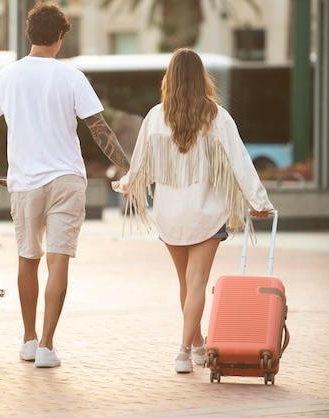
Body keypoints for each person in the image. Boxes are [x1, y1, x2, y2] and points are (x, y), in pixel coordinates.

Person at [0, 3, 129, 368]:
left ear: (30, 35)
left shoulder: (7, 76)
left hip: (25, 183)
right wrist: (131, 166)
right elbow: (100, 131)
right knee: (58, 261)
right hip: (66, 180)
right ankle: (46, 346)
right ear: (59, 38)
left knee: (28, 259)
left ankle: (27, 340)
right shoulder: (71, 77)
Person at [112, 48, 274, 374]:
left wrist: (127, 184)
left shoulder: (156, 116)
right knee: (197, 281)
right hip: (207, 213)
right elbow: (240, 161)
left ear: (169, 79)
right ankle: (184, 351)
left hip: (170, 214)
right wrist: (258, 201)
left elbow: (140, 162)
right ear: (202, 78)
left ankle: (198, 344)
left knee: (187, 285)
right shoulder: (218, 116)